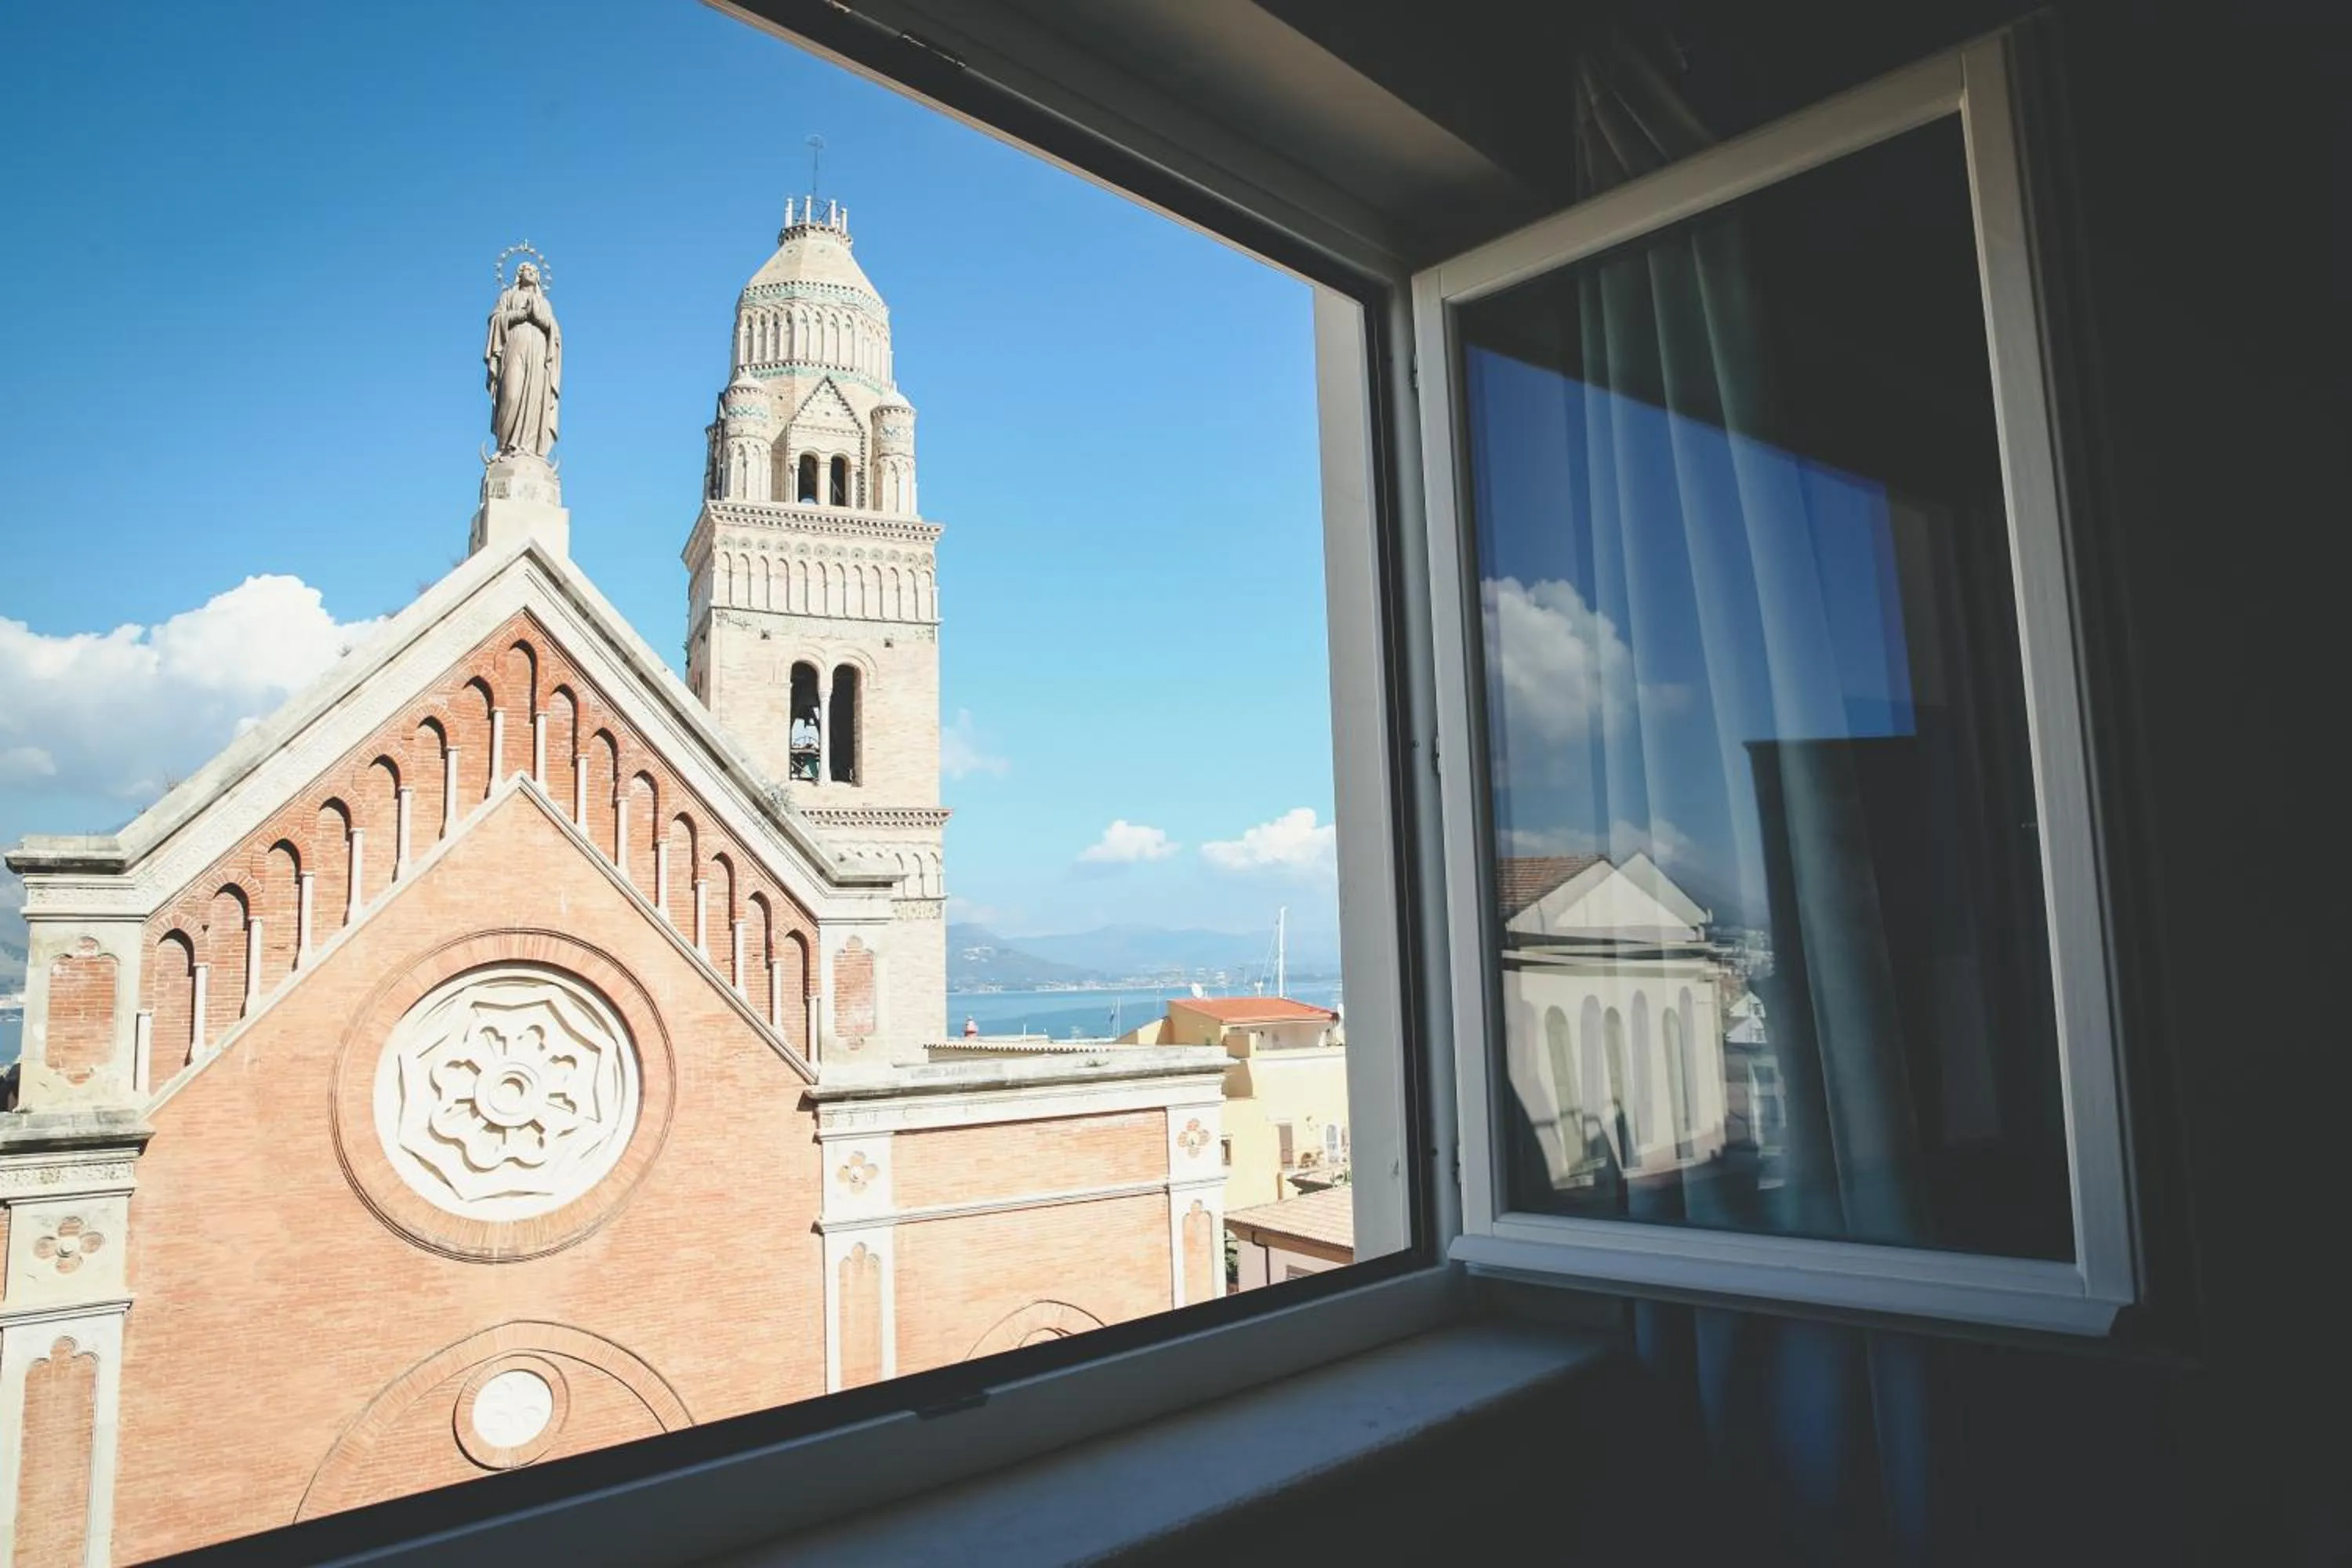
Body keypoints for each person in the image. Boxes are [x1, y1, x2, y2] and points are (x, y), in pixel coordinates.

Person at [485, 261, 561, 458]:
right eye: (528, 270)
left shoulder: (544, 303)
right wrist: (520, 315)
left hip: (538, 351)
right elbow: (495, 320)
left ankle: (531, 448)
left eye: (536, 271)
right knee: (511, 394)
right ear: (519, 274)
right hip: (513, 345)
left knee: (535, 397)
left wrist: (538, 317)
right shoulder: (508, 296)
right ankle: (504, 447)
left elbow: (555, 331)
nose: (533, 273)